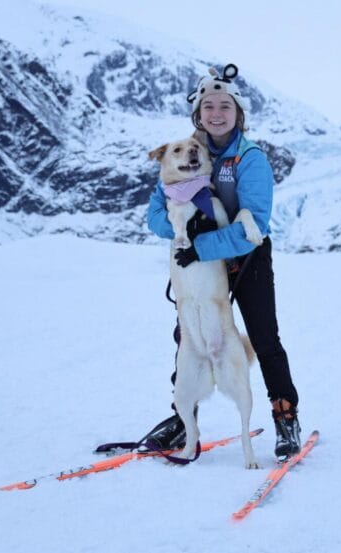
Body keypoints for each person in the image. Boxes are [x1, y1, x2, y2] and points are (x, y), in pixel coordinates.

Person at [145, 64, 301, 459]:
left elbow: (256, 224)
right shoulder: (183, 153)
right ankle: (183, 417)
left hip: (246, 258)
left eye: (224, 106)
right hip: (196, 258)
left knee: (264, 337)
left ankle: (285, 419)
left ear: (238, 114)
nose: (216, 113)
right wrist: (183, 237)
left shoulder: (250, 159)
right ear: (198, 114)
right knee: (188, 335)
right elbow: (156, 216)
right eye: (208, 106)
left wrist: (201, 246)